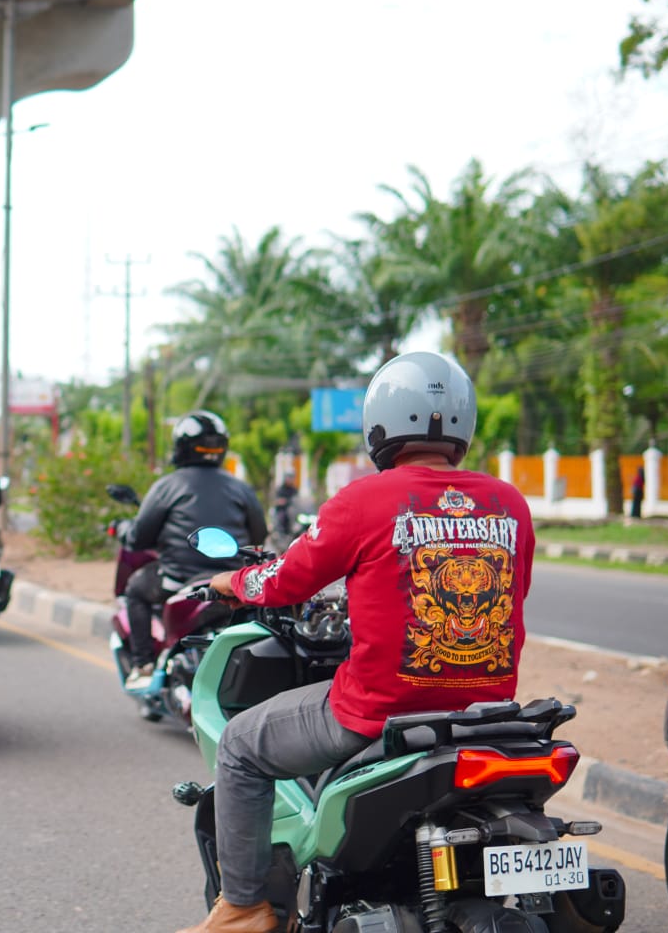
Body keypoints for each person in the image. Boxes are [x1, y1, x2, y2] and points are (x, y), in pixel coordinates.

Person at [179, 351, 535, 933]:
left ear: (380, 425)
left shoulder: (363, 500)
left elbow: (286, 576)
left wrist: (232, 582)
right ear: (462, 424)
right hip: (482, 711)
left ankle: (244, 909)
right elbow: (512, 594)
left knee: (241, 747)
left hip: (377, 711)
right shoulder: (510, 504)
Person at [124, 411, 267, 689]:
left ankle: (143, 665)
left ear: (181, 446)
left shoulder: (167, 485)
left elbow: (139, 537)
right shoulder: (240, 488)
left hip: (179, 579)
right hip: (230, 581)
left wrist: (122, 531)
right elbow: (259, 534)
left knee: (135, 590)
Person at [271, 470, 298, 538]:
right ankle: (281, 533)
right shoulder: (280, 489)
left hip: (292, 509)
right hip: (281, 510)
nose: (289, 479)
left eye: (291, 478)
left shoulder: (294, 490)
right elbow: (277, 500)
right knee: (282, 516)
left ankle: (294, 530)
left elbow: (297, 500)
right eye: (288, 477)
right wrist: (281, 501)